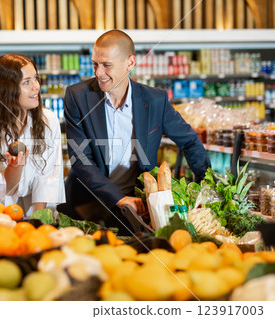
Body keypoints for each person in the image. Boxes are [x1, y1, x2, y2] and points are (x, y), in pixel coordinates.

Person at [59, 30, 210, 235]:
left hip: (137, 205)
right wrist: (118, 198)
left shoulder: (155, 100)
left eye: (106, 65)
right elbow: (81, 160)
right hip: (87, 204)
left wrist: (207, 189)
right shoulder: (78, 96)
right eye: (95, 64)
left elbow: (190, 142)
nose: (98, 72)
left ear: (130, 63)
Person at [0, 53, 65, 217]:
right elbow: (4, 189)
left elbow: (47, 177)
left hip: (37, 206)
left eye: (35, 78)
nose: (36, 86)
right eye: (26, 82)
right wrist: (15, 166)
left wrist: (38, 221)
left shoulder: (48, 120)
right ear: (7, 90)